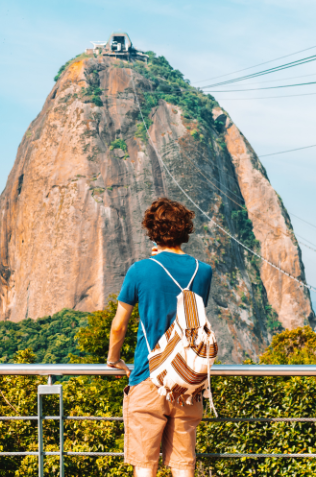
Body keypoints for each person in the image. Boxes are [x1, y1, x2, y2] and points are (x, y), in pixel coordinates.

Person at [107, 197, 213, 477]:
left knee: (144, 465)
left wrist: (113, 359)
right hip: (187, 379)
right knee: (182, 465)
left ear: (151, 231)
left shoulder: (140, 270)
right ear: (185, 230)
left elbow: (119, 325)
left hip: (147, 376)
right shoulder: (203, 272)